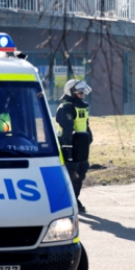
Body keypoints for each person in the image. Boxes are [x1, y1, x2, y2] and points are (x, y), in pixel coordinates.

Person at [56, 80, 93, 213]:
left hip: (81, 144)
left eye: (83, 92)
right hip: (69, 144)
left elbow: (85, 123)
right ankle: (68, 201)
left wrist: (89, 136)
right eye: (79, 92)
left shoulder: (82, 106)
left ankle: (75, 198)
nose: (82, 94)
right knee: (71, 172)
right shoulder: (67, 107)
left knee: (82, 170)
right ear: (71, 92)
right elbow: (67, 129)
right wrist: (68, 149)